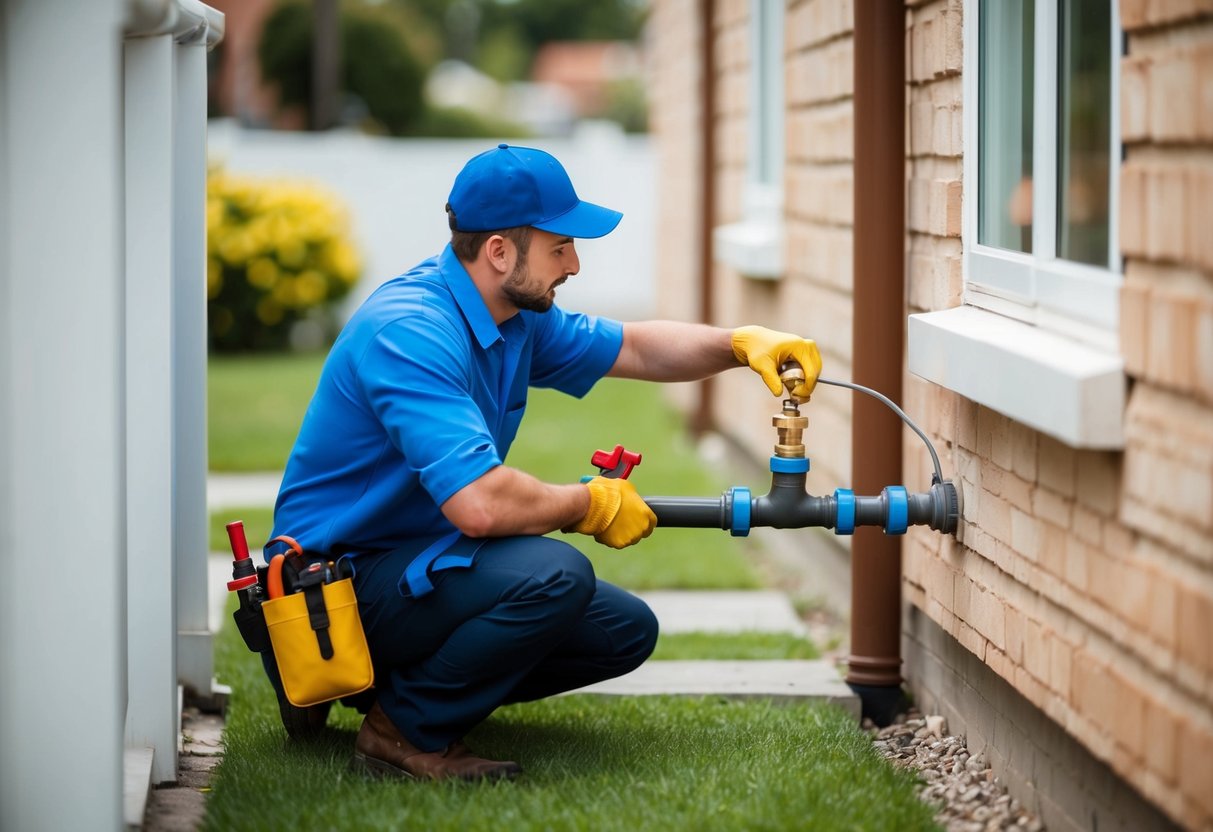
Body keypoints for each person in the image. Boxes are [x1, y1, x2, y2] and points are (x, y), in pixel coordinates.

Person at [264, 143, 823, 781]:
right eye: (561, 247)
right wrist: (591, 502)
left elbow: (636, 348)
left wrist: (741, 344)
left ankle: (377, 690)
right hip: (334, 586)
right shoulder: (411, 332)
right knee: (554, 575)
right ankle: (398, 729)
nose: (575, 264)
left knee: (622, 630)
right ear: (501, 251)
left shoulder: (512, 316)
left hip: (412, 563)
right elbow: (481, 504)